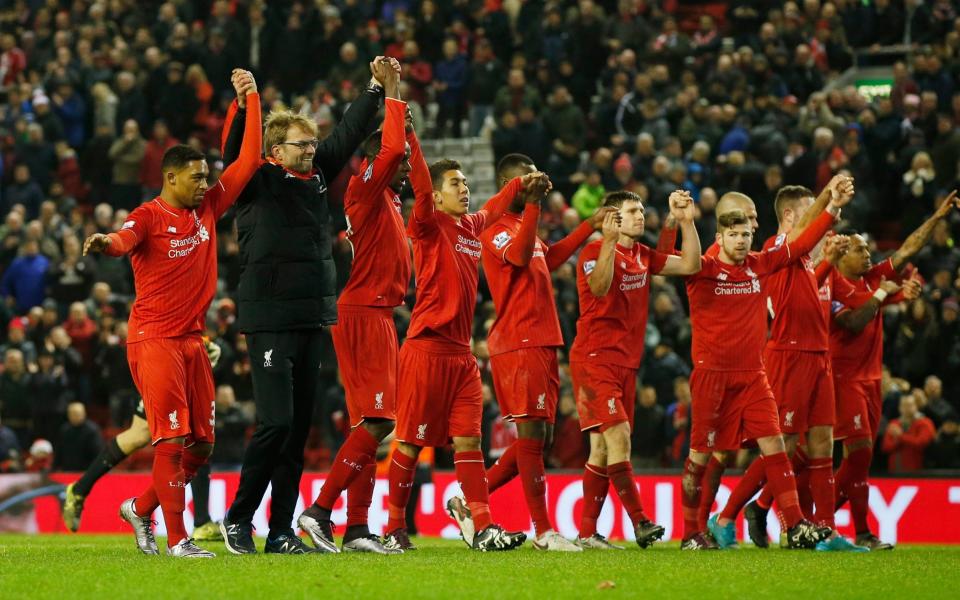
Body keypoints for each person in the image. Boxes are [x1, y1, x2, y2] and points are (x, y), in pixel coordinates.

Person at [82, 69, 261, 558]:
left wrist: (248, 102)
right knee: (172, 436)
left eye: (207, 176)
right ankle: (179, 539)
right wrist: (107, 244)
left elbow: (247, 160)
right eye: (197, 177)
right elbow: (124, 239)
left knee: (201, 446)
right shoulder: (148, 214)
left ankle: (141, 508)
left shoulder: (207, 210)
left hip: (192, 341)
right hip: (154, 337)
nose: (206, 184)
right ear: (171, 178)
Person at [220, 58, 391, 556]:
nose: (313, 150)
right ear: (275, 150)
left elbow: (349, 132)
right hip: (269, 317)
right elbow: (235, 152)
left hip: (313, 315)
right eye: (302, 143)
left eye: (312, 143)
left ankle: (280, 531)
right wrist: (245, 102)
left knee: (296, 432)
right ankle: (238, 519)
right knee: (274, 423)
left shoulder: (315, 178)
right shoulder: (256, 180)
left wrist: (376, 89)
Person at [451, 153, 614, 552]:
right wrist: (535, 204)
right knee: (530, 434)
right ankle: (543, 531)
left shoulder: (524, 225)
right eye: (527, 182)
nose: (534, 186)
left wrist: (589, 227)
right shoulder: (493, 227)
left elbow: (547, 256)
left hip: (542, 338)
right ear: (511, 185)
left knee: (539, 437)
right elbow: (521, 256)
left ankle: (470, 501)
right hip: (519, 339)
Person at [381, 152, 534, 553]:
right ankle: (395, 527)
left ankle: (483, 526)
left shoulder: (470, 227)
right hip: (426, 349)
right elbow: (418, 181)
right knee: (412, 444)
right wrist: (408, 134)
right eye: (456, 184)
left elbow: (494, 206)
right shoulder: (427, 224)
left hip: (462, 356)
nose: (464, 189)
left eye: (466, 182)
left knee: (469, 442)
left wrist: (523, 184)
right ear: (435, 195)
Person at [679, 186, 845, 550]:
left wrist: (832, 208)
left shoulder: (759, 263)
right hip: (713, 377)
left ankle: (797, 522)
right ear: (720, 235)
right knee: (701, 456)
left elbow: (801, 244)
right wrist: (683, 221)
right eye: (736, 233)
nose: (743, 239)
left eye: (748, 232)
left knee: (774, 443)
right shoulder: (703, 267)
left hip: (754, 376)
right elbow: (679, 259)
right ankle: (691, 531)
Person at [296, 62, 410, 555]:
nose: (405, 170)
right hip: (364, 312)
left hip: (375, 312)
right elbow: (395, 148)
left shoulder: (385, 196)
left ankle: (358, 528)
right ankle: (320, 510)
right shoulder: (365, 184)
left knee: (373, 425)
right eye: (399, 165)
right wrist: (393, 90)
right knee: (381, 421)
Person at [819, 191, 957, 550]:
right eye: (861, 250)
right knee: (860, 452)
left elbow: (908, 249)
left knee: (860, 461)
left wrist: (937, 216)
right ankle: (822, 522)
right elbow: (851, 323)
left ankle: (853, 530)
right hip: (843, 377)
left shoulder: (871, 278)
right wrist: (883, 295)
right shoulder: (831, 283)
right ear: (841, 255)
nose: (869, 255)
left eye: (868, 250)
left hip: (872, 379)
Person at [570, 189, 701, 550]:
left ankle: (586, 534)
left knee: (600, 449)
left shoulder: (643, 255)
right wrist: (609, 241)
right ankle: (640, 521)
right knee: (620, 436)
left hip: (626, 362)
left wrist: (683, 221)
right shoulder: (593, 252)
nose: (641, 216)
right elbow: (598, 288)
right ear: (613, 218)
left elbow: (691, 264)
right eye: (631, 211)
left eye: (642, 210)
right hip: (595, 358)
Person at [61, 340, 222, 541]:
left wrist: (201, 346)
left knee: (184, 436)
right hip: (165, 361)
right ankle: (81, 490)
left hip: (177, 361)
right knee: (162, 436)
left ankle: (201, 521)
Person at [882, 393, 936, 472]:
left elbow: (921, 444)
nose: (906, 408)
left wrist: (900, 436)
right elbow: (886, 446)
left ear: (916, 406)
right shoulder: (894, 423)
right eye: (903, 405)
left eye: (909, 405)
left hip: (919, 472)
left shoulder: (925, 423)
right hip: (894, 472)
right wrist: (900, 440)